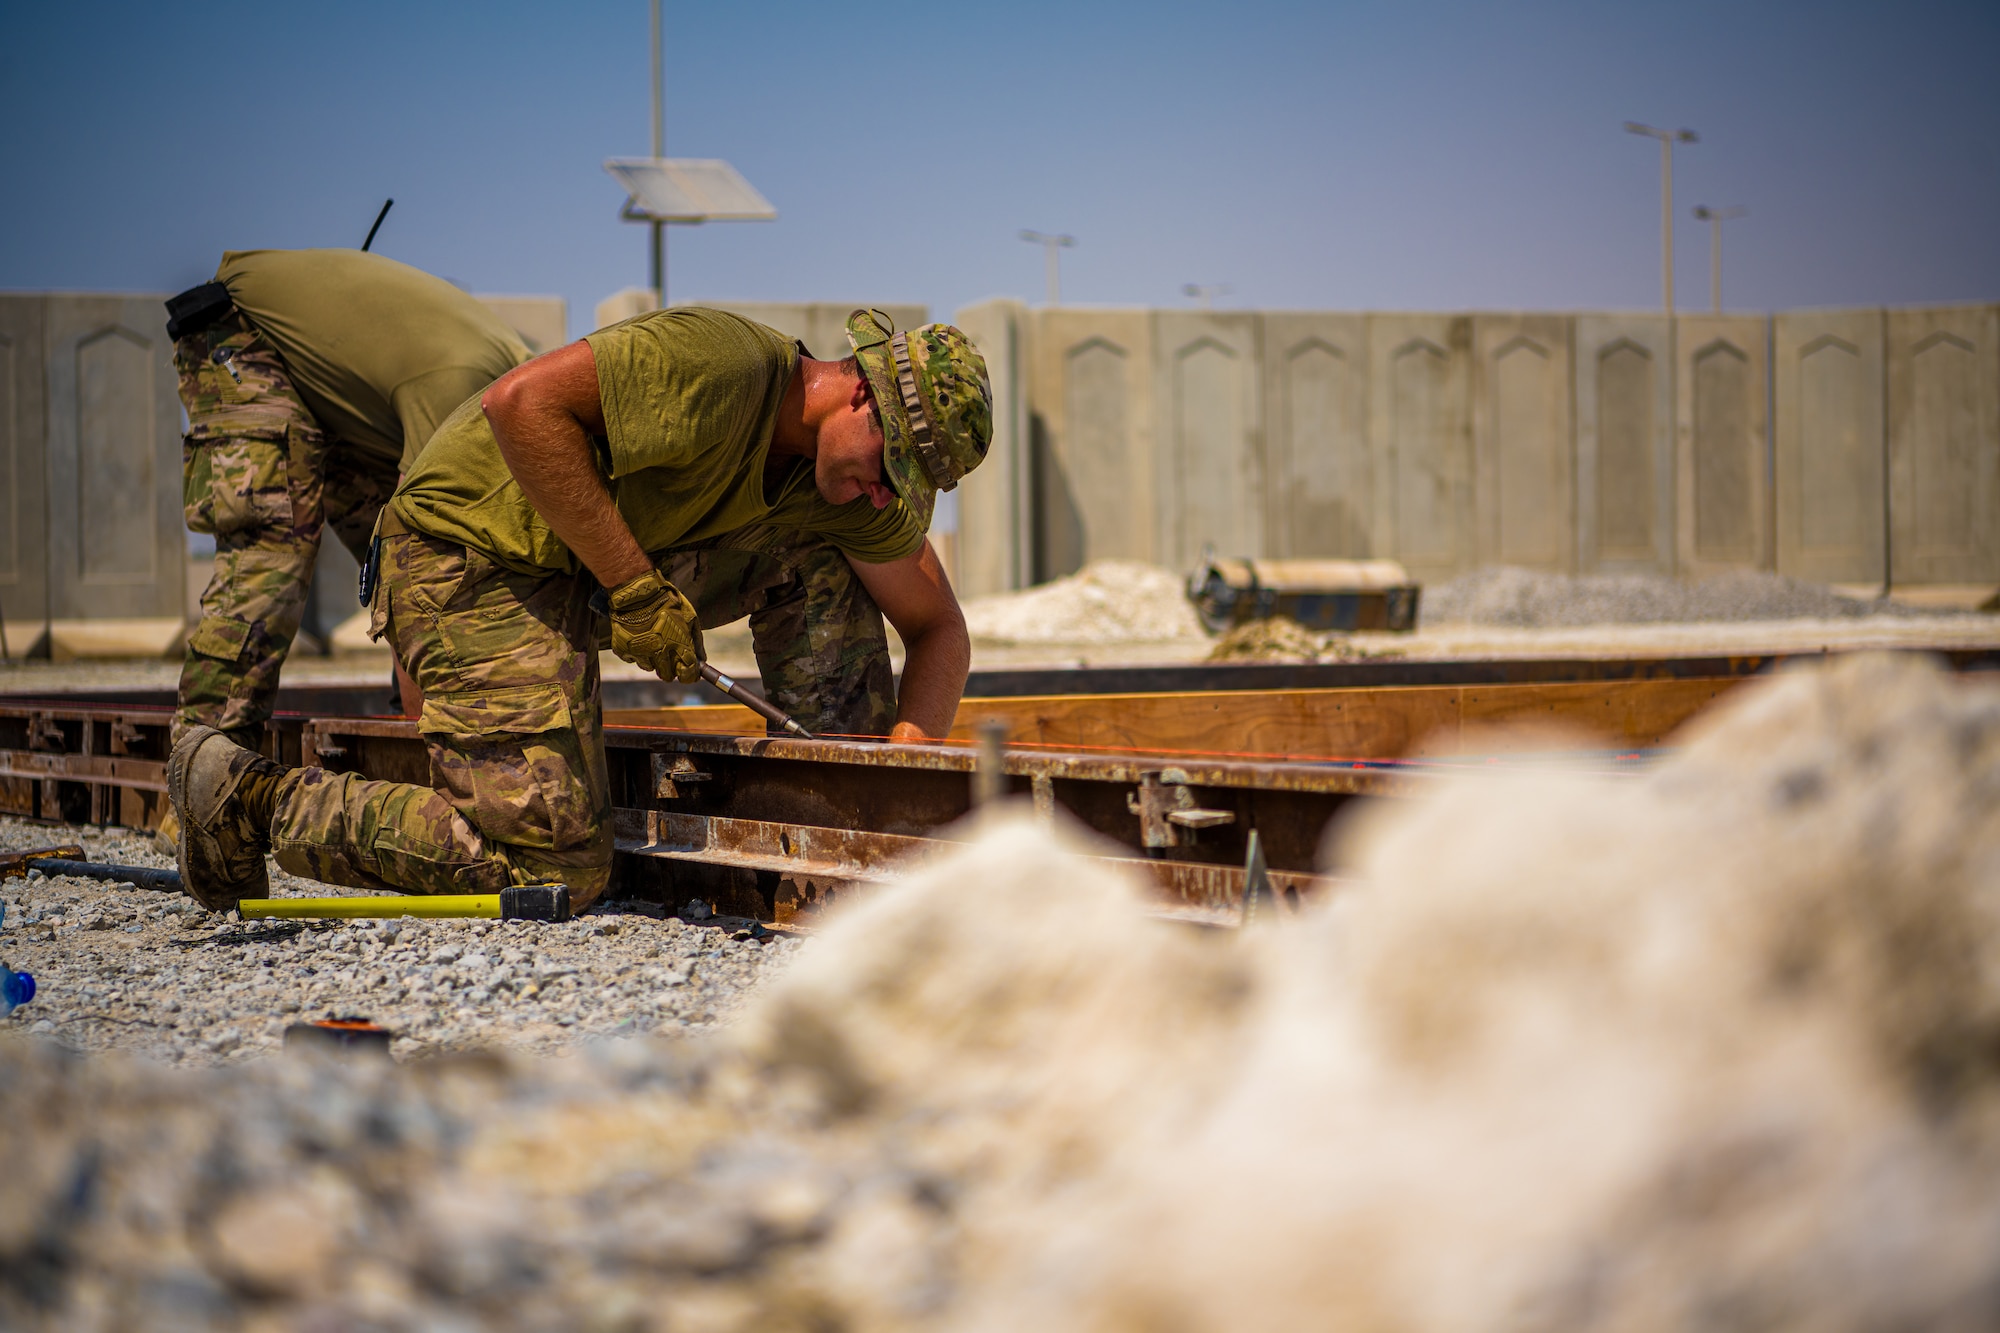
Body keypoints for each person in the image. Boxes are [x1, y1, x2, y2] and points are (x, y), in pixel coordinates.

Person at [167, 306, 991, 912]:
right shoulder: (725, 364)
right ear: (859, 398)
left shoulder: (841, 484)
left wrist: (898, 770)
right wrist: (636, 588)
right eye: (895, 468)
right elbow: (519, 406)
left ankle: (829, 818)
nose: (886, 495)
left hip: (571, 570)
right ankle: (246, 797)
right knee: (552, 866)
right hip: (465, 551)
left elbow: (938, 626)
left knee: (825, 554)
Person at [164, 248, 532, 744]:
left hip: (335, 388)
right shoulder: (464, 395)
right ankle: (202, 773)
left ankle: (434, 715)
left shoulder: (522, 387)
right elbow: (413, 570)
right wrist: (438, 750)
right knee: (275, 563)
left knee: (435, 568)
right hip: (241, 340)